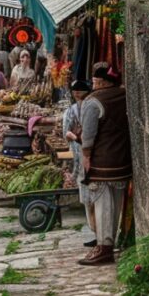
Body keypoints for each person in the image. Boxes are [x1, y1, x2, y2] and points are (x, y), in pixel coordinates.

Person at [78, 62, 132, 266]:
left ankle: (104, 247)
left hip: (102, 161)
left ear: (100, 82)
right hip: (122, 159)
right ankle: (110, 242)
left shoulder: (93, 101)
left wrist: (86, 155)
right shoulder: (123, 94)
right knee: (115, 203)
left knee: (102, 204)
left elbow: (89, 134)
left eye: (94, 81)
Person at [62, 79, 95, 247]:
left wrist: (73, 137)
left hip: (83, 155)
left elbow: (65, 132)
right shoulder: (94, 106)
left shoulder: (72, 111)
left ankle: (97, 232)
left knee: (89, 198)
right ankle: (99, 233)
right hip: (94, 155)